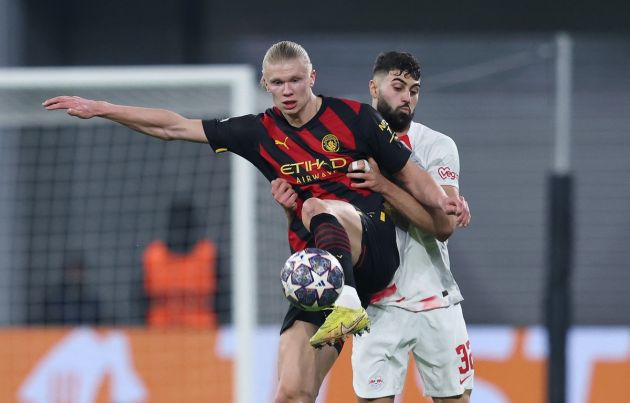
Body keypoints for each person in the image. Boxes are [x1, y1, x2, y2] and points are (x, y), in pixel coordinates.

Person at [43, 40, 468, 403]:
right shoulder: (259, 132)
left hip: (370, 250)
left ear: (312, 77)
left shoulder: (357, 118)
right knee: (291, 391)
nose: (287, 90)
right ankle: (340, 302)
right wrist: (103, 108)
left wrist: (448, 204)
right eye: (278, 82)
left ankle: (346, 302)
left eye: (295, 80)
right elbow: (174, 126)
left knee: (317, 205)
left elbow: (416, 177)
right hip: (316, 271)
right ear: (265, 84)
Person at [348, 51, 474, 402]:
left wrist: (382, 185)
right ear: (374, 87)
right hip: (377, 307)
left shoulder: (436, 145)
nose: (407, 97)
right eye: (398, 87)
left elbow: (443, 226)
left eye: (414, 90)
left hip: (436, 300)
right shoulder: (349, 146)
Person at [143, 197, 218, 328]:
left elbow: (223, 301)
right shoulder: (153, 257)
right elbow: (140, 302)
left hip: (203, 338)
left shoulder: (209, 255)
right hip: (159, 337)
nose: (180, 231)